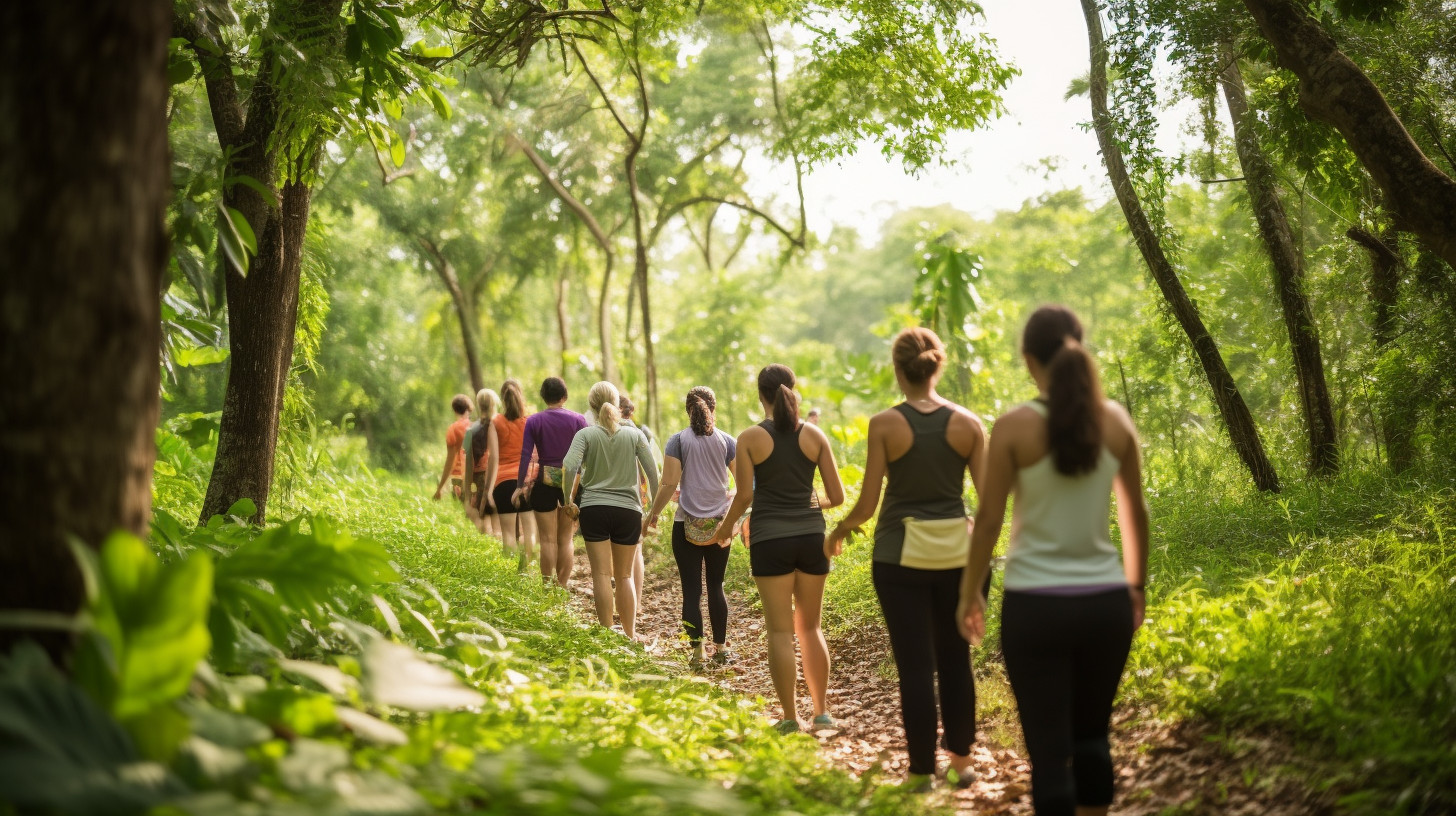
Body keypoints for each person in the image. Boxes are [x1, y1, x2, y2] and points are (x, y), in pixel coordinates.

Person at [957, 305, 1149, 816]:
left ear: (1028, 359)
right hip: (1105, 604)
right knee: (1093, 738)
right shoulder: (1115, 422)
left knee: (1048, 753)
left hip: (1034, 607)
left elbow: (990, 520)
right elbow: (1135, 515)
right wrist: (1136, 587)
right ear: (1079, 348)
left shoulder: (1015, 426)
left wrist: (970, 592)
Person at [826, 327, 986, 791]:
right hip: (958, 557)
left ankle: (920, 772)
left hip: (899, 559)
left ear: (899, 370)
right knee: (956, 660)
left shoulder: (885, 425)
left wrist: (840, 528)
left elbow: (868, 504)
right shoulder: (968, 423)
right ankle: (962, 763)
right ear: (937, 365)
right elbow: (990, 497)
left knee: (915, 665)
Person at [710, 364, 845, 735]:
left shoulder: (750, 437)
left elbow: (746, 496)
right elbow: (837, 496)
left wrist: (724, 531)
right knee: (811, 627)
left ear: (760, 395)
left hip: (770, 539)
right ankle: (821, 713)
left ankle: (790, 717)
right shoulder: (815, 436)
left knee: (780, 632)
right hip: (811, 537)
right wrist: (804, 501)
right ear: (792, 390)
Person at [644, 386, 737, 669]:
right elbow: (746, 484)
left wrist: (653, 513)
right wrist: (731, 498)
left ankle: (697, 654)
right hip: (720, 526)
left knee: (691, 591)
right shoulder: (727, 441)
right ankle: (721, 649)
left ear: (688, 411)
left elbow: (669, 483)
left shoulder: (677, 441)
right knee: (716, 586)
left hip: (686, 525)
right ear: (714, 409)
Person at [563, 382, 660, 640]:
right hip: (628, 510)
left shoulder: (585, 435)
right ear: (617, 404)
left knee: (602, 575)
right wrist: (653, 509)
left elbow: (569, 464)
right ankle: (630, 634)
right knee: (624, 575)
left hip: (594, 508)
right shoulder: (635, 435)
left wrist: (567, 501)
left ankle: (607, 635)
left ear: (591, 407)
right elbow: (652, 473)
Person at [514, 377, 588, 588]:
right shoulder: (578, 420)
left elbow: (526, 454)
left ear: (543, 397)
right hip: (571, 483)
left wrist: (520, 485)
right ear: (565, 396)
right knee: (565, 539)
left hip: (544, 483)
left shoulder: (534, 421)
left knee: (547, 539)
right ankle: (561, 586)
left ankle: (547, 588)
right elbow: (586, 457)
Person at [490, 379, 537, 564]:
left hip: (502, 483)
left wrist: (488, 489)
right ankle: (526, 570)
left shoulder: (496, 422)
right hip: (526, 482)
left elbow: (492, 457)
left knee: (508, 534)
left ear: (503, 398)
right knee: (530, 532)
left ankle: (509, 577)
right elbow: (535, 455)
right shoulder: (530, 421)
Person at [464, 389, 501, 536]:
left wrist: (467, 493)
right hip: (501, 475)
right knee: (502, 523)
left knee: (484, 522)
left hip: (480, 477)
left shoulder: (470, 430)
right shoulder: (501, 424)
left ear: (479, 404)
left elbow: (468, 462)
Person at [432, 394, 472, 504]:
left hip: (458, 478)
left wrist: (440, 487)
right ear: (469, 408)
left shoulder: (453, 429)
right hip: (477, 476)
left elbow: (450, 460)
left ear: (454, 409)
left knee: (463, 514)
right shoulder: (477, 427)